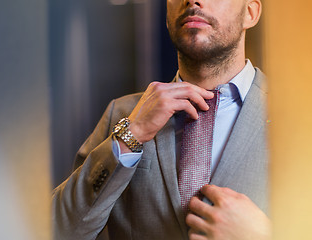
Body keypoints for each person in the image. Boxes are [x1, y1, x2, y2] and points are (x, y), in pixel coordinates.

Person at [52, 0, 271, 239]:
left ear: (250, 12)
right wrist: (130, 136)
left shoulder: (298, 118)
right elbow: (56, 230)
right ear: (167, 15)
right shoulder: (122, 114)